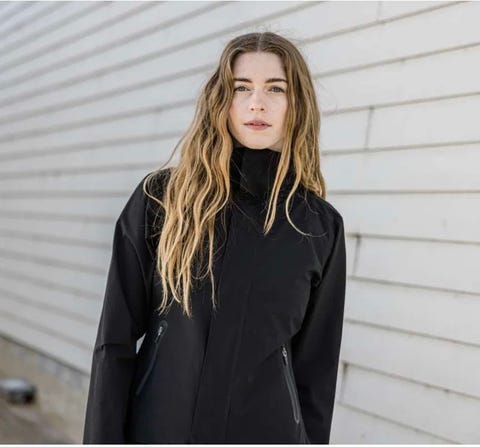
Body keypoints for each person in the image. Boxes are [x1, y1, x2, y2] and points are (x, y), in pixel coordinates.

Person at [83, 31, 346, 444]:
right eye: (242, 88)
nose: (257, 103)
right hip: (161, 430)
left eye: (275, 88)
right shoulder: (161, 200)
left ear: (298, 104)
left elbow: (316, 372)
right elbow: (113, 345)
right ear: (221, 99)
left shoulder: (318, 226)